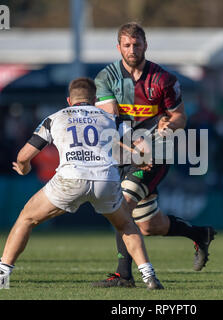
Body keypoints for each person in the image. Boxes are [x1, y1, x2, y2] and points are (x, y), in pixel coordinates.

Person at [0, 77, 163, 290]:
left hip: (71, 178)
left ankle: (0, 276)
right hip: (105, 179)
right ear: (94, 100)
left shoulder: (55, 118)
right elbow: (142, 148)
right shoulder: (110, 118)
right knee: (126, 225)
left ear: (69, 99)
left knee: (26, 218)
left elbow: (23, 156)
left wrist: (23, 167)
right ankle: (149, 277)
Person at [91, 22, 216, 288]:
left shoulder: (163, 79)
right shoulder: (106, 78)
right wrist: (131, 146)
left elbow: (181, 116)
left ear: (145, 45)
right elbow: (110, 121)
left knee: (121, 206)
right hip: (123, 154)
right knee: (149, 226)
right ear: (119, 47)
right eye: (127, 45)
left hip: (154, 154)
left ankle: (123, 276)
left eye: (137, 44)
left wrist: (169, 125)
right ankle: (200, 234)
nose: (132, 49)